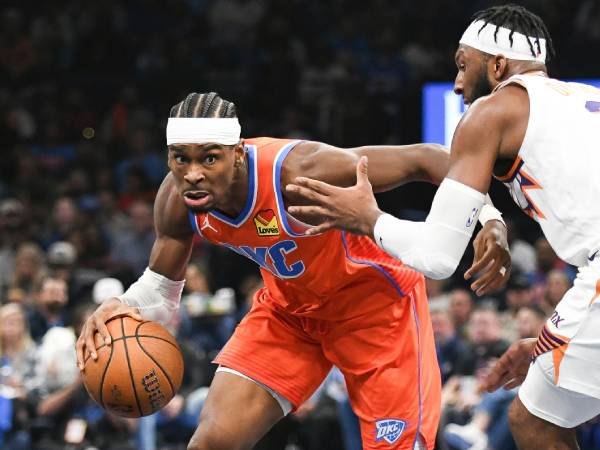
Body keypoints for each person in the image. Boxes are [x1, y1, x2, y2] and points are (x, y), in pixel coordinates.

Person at [76, 92, 508, 450]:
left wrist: (489, 218)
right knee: (211, 443)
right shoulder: (176, 197)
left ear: (238, 154)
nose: (193, 174)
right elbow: (161, 291)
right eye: (180, 159)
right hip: (291, 314)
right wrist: (121, 306)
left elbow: (426, 159)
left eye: (209, 159)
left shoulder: (298, 170)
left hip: (374, 311)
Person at [286, 4, 600, 449]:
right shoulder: (581, 100)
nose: (456, 83)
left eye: (461, 64)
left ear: (496, 65)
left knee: (536, 420)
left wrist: (366, 218)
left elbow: (436, 257)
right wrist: (493, 223)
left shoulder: (490, 112)